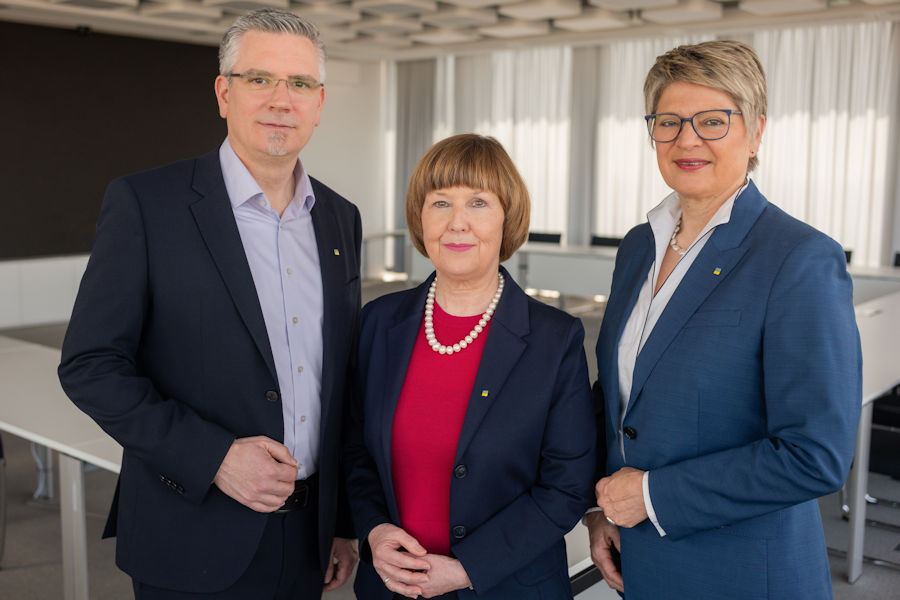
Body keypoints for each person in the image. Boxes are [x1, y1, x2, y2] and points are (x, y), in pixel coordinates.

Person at [58, 8, 360, 598]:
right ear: (224, 93)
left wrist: (343, 521)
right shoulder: (148, 204)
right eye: (259, 79)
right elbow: (90, 366)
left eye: (299, 84)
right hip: (191, 530)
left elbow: (340, 380)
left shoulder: (339, 219)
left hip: (308, 538)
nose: (281, 99)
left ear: (319, 103)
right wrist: (216, 457)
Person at [586, 40, 861, 599]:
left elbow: (816, 456)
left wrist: (655, 496)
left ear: (756, 131)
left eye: (713, 120)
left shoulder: (799, 258)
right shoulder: (639, 246)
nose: (687, 139)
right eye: (669, 122)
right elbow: (622, 401)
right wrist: (601, 509)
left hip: (742, 574)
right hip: (640, 560)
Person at [344, 134, 596, 599]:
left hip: (509, 588)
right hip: (391, 587)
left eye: (478, 202)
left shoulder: (554, 339)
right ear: (421, 218)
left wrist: (467, 570)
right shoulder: (379, 323)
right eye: (440, 202)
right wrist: (375, 531)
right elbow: (357, 454)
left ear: (507, 218)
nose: (457, 223)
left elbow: (568, 487)